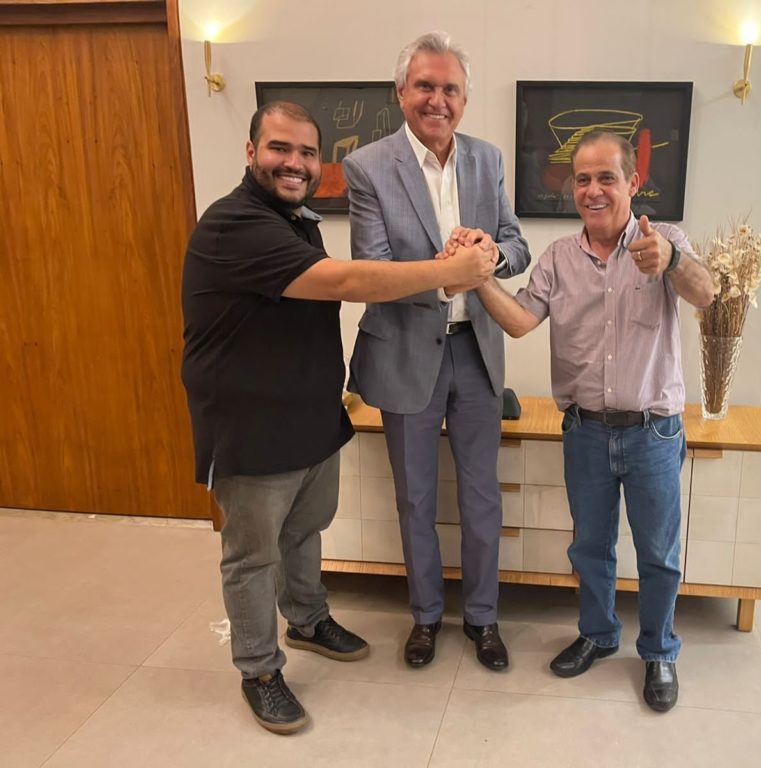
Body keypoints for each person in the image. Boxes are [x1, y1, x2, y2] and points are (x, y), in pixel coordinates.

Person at [180, 101, 495, 734]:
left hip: (310, 415)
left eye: (306, 152)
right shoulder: (235, 224)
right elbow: (348, 282)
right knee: (252, 555)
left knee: (305, 531)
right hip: (250, 424)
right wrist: (449, 271)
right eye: (279, 148)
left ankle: (307, 619)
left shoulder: (298, 221)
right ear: (251, 152)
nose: (294, 163)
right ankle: (259, 670)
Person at [467, 129, 714, 712]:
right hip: (585, 430)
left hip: (653, 431)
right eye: (583, 179)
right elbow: (520, 322)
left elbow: (707, 294)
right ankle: (599, 635)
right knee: (590, 547)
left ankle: (659, 651)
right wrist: (478, 278)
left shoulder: (662, 241)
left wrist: (673, 260)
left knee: (658, 553)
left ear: (633, 182)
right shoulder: (557, 258)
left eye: (607, 177)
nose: (594, 190)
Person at [342, 32, 531, 671]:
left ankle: (482, 618)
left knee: (482, 498)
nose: (437, 100)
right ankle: (425, 616)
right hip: (404, 354)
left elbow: (517, 245)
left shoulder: (487, 159)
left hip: (476, 352)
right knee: (416, 499)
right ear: (401, 93)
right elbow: (372, 269)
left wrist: (491, 254)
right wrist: (449, 274)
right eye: (425, 86)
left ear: (465, 98)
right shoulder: (368, 167)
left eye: (450, 88)